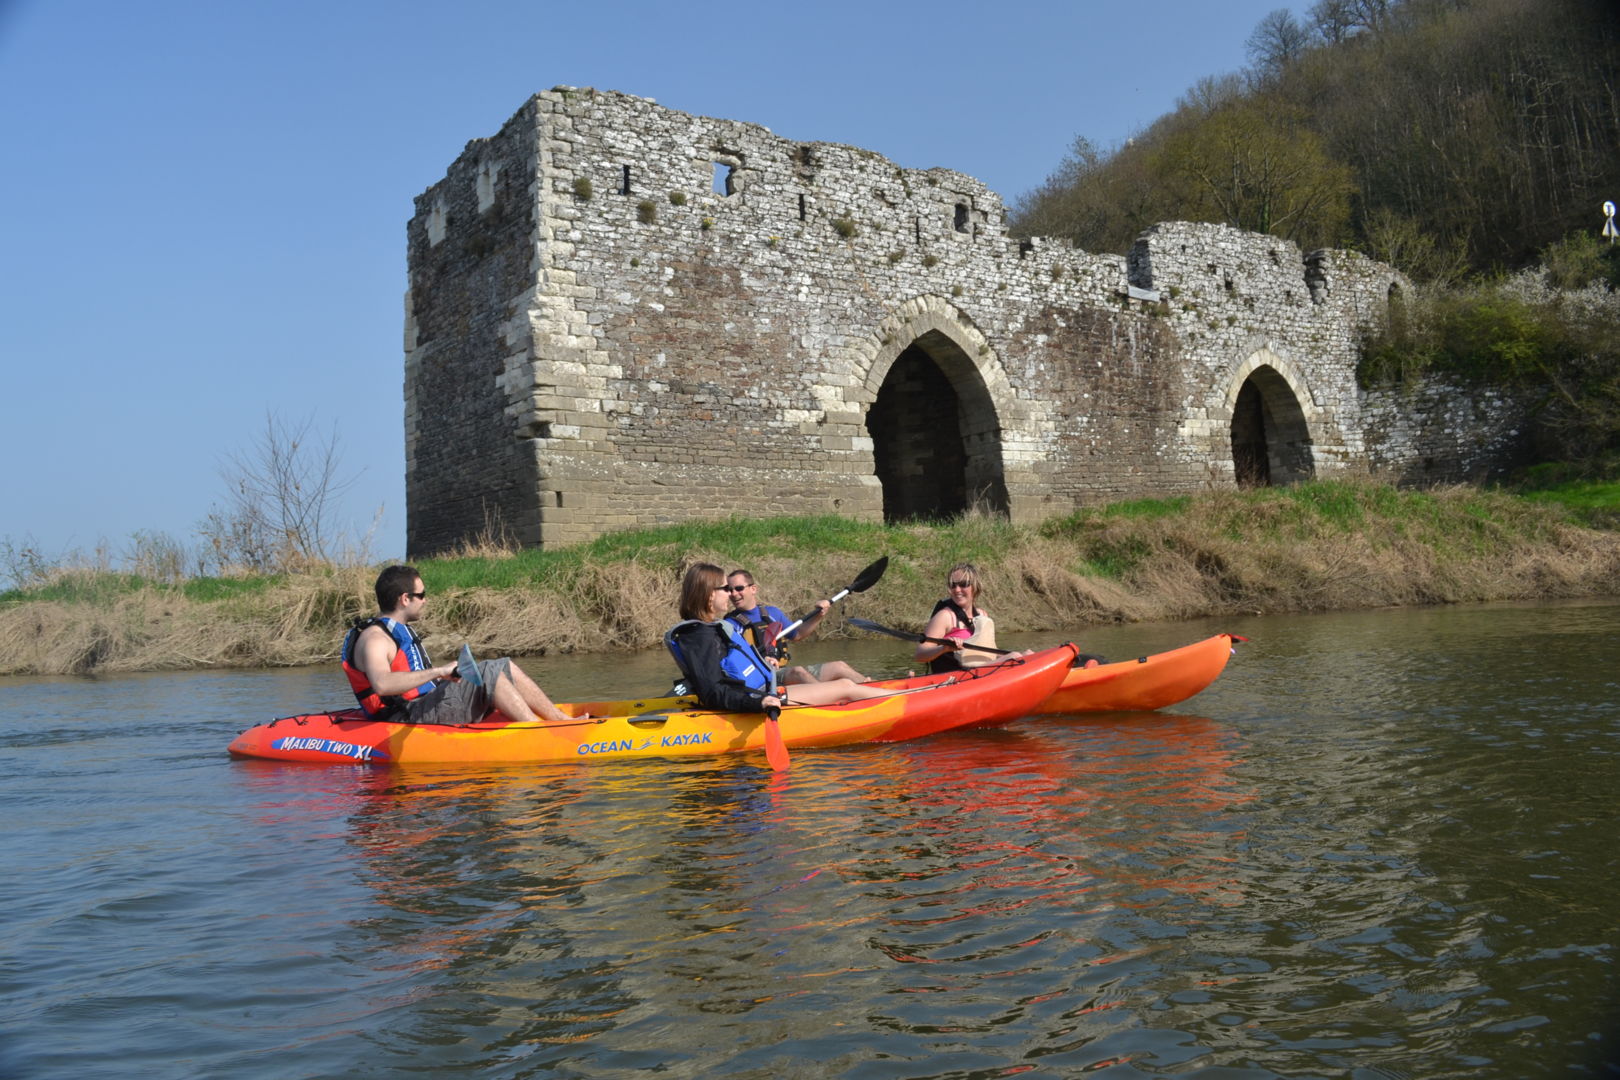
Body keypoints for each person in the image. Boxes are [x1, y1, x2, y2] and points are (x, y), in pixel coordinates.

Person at [340, 564, 576, 725]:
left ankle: (559, 720)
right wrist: (440, 672)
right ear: (405, 599)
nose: (425, 600)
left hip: (422, 706)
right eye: (421, 595)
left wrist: (445, 676)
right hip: (404, 718)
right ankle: (539, 732)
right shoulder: (375, 640)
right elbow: (381, 684)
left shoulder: (392, 633)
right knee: (486, 673)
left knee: (501, 666)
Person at [666, 563, 894, 713]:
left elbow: (727, 670)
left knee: (842, 676)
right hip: (759, 698)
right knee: (844, 686)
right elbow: (713, 691)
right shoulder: (699, 635)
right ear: (708, 595)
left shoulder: (711, 628)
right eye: (725, 588)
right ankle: (908, 700)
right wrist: (758, 702)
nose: (731, 593)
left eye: (734, 588)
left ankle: (894, 693)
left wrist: (761, 665)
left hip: (763, 690)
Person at [724, 568, 867, 685]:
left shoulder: (772, 613)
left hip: (783, 671)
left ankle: (873, 690)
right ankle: (828, 701)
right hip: (762, 677)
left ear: (753, 589)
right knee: (798, 672)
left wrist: (819, 615)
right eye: (730, 590)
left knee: (839, 666)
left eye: (739, 588)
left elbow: (798, 635)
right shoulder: (730, 624)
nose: (733, 594)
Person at [914, 562, 1017, 674]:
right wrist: (943, 648)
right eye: (953, 585)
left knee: (1024, 654)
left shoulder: (982, 615)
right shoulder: (945, 617)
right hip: (954, 678)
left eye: (963, 584)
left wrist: (1022, 656)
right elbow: (920, 655)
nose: (957, 590)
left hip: (981, 673)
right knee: (1015, 657)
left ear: (975, 586)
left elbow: (991, 652)